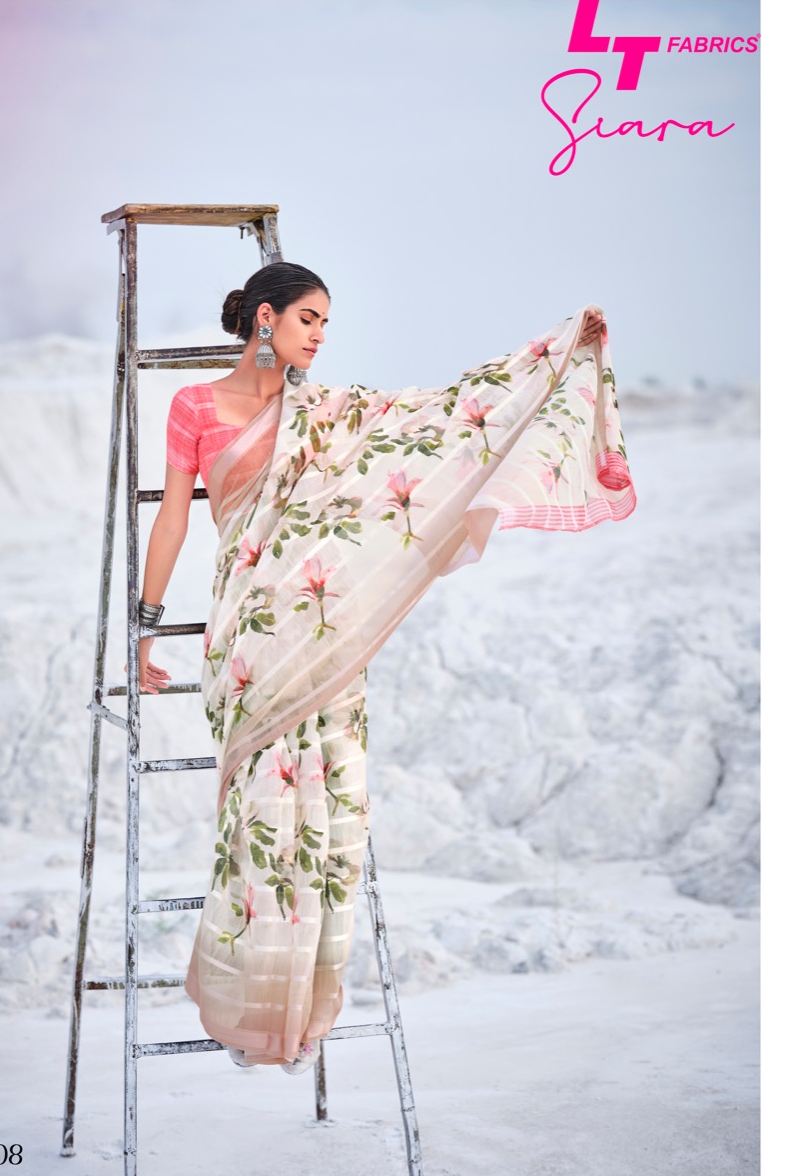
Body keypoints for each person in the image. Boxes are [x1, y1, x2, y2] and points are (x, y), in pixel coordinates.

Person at [135, 260, 635, 1074]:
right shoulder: (194, 405)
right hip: (252, 636)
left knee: (328, 815)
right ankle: (251, 1005)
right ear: (264, 318)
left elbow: (448, 418)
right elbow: (171, 524)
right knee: (258, 822)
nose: (319, 335)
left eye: (325, 323)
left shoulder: (328, 412)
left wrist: (556, 352)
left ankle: (297, 1009)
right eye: (308, 319)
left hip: (329, 635)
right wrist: (146, 629)